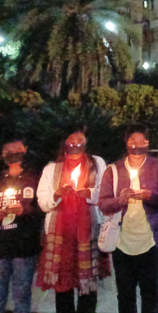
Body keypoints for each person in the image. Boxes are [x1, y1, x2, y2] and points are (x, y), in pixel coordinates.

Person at [99, 125, 158, 313]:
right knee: (125, 293)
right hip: (122, 242)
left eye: (142, 141)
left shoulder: (157, 167)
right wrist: (120, 200)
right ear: (126, 143)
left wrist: (149, 195)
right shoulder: (113, 170)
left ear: (148, 143)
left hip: (150, 240)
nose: (137, 145)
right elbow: (103, 204)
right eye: (133, 141)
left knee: (150, 292)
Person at [36, 128, 110, 313]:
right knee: (63, 285)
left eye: (81, 138)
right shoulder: (51, 169)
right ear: (65, 142)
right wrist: (56, 195)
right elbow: (43, 202)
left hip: (88, 233)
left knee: (87, 286)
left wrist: (90, 193)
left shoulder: (97, 163)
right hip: (62, 238)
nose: (76, 141)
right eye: (72, 138)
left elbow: (106, 192)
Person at [0, 138, 44, 313]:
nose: (13, 154)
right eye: (8, 151)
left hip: (24, 246)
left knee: (22, 292)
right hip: (1, 245)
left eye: (17, 150)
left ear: (25, 150)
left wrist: (25, 211)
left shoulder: (34, 177)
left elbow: (43, 209)